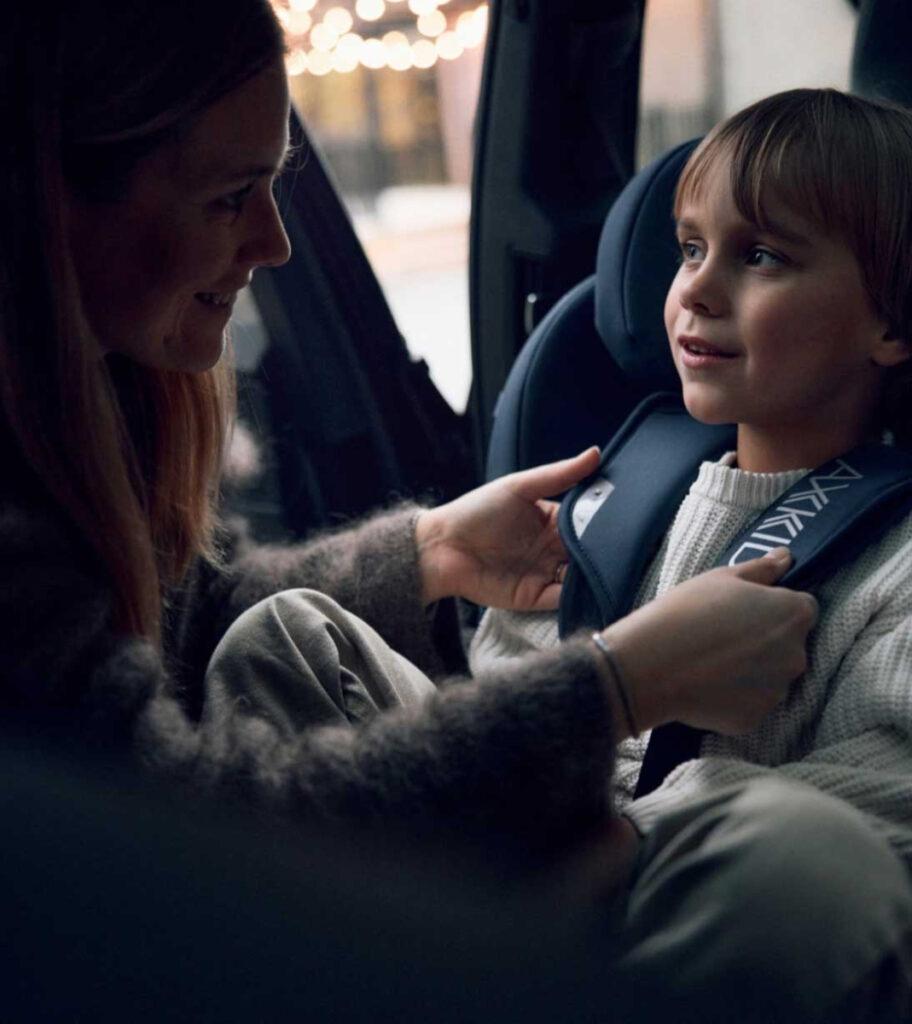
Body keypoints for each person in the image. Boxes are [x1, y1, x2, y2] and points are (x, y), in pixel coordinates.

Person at [0, 3, 832, 1020]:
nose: (274, 243)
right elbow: (186, 830)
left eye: (273, 188)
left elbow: (183, 609)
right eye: (228, 198)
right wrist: (614, 688)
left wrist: (431, 548)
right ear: (47, 200)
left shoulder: (96, 404)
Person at [470, 87, 912, 1017]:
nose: (697, 291)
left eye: (761, 256)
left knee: (799, 852)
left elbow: (879, 803)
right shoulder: (617, 491)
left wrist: (624, 828)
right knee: (291, 631)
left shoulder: (898, 559)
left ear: (892, 323)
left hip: (680, 906)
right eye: (689, 249)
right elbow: (498, 688)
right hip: (507, 855)